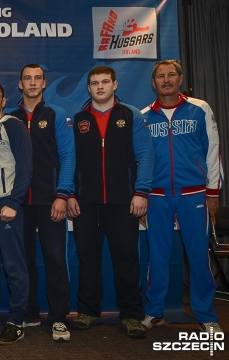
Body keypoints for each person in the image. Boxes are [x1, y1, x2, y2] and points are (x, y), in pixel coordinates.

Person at [67, 65, 153, 339]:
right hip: (86, 203)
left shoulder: (131, 115)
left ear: (115, 85)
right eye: (94, 83)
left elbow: (146, 155)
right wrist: (69, 193)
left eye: (105, 82)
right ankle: (88, 312)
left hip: (123, 202)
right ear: (89, 87)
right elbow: (69, 161)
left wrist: (141, 191)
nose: (100, 87)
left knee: (127, 259)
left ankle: (131, 316)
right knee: (87, 259)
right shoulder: (78, 119)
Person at [141, 60, 223, 334]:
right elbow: (139, 159)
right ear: (153, 83)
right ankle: (154, 312)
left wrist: (213, 192)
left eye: (171, 75)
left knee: (199, 255)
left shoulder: (200, 109)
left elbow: (213, 151)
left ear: (180, 79)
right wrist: (141, 193)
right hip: (156, 196)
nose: (166, 80)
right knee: (158, 256)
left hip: (194, 194)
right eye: (160, 76)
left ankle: (206, 313)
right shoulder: (143, 117)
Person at [7, 65, 75, 342]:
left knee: (55, 259)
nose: (32, 83)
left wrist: (62, 195)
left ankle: (58, 317)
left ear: (45, 83)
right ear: (20, 84)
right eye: (27, 79)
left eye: (37, 78)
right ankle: (29, 312)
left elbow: (68, 157)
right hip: (18, 204)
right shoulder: (10, 119)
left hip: (50, 202)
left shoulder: (56, 115)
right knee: (22, 262)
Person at [0, 82, 33, 345]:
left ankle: (17, 319)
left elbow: (25, 167)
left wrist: (14, 201)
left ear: (3, 101)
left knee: (13, 264)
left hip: (6, 204)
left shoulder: (13, 125)